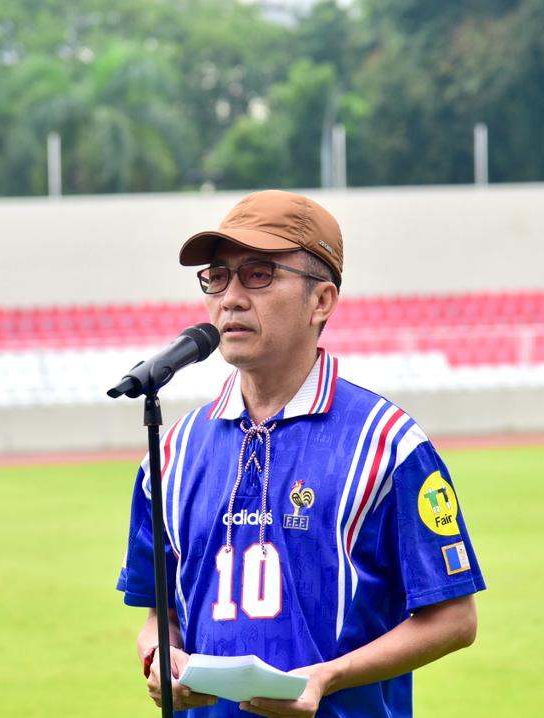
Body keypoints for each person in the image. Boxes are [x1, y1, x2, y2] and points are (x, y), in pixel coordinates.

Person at [116, 190, 486, 717]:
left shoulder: (388, 444)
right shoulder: (171, 452)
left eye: (259, 274)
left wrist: (329, 676)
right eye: (217, 277)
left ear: (322, 301)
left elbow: (455, 619)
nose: (231, 298)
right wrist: (160, 655)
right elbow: (160, 614)